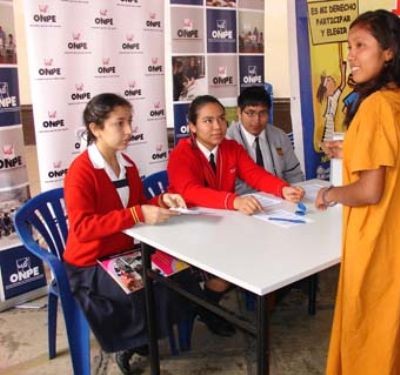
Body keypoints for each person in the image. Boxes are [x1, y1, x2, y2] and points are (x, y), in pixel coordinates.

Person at [316, 10, 400, 374]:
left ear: (388, 52)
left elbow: (370, 191)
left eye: (360, 46)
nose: (351, 55)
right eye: (350, 46)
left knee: (372, 340)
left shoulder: (375, 106)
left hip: (379, 248)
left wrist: (330, 193)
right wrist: (351, 148)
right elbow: (397, 159)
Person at [63, 93, 190, 374]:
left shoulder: (128, 165)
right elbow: (83, 228)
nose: (129, 131)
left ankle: (146, 339)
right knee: (141, 288)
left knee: (177, 274)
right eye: (119, 124)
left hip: (123, 251)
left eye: (129, 122)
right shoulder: (81, 172)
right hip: (89, 262)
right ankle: (129, 345)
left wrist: (162, 201)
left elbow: (137, 204)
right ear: (96, 129)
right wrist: (138, 214)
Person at [168, 95, 304, 335]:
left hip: (222, 225)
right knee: (234, 266)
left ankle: (207, 305)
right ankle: (206, 307)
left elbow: (254, 174)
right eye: (208, 121)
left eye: (221, 119)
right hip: (187, 229)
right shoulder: (182, 153)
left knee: (251, 257)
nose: (218, 126)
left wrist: (282, 188)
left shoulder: (231, 148)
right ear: (192, 126)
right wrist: (234, 201)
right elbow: (189, 192)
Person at [226, 86, 305, 195]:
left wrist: (296, 194)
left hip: (280, 200)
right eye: (250, 113)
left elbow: (294, 175)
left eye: (262, 113)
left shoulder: (280, 137)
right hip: (242, 203)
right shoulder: (227, 141)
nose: (257, 120)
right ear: (239, 112)